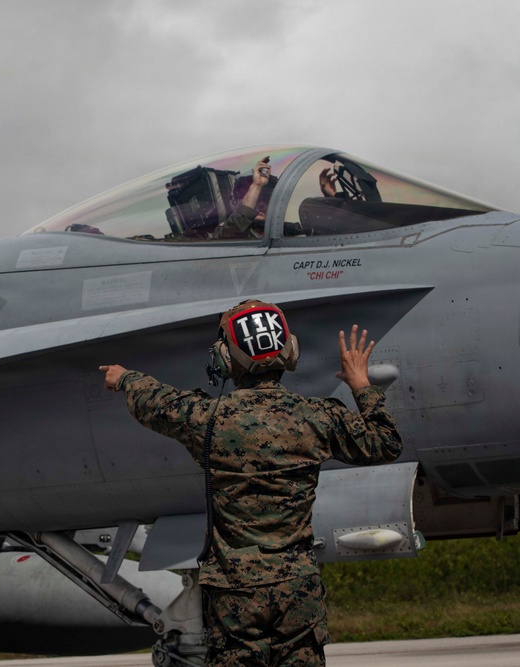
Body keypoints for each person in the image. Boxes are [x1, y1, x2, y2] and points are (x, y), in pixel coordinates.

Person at [99, 300, 403, 666]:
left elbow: (157, 402)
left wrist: (125, 377)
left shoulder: (208, 420)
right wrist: (361, 385)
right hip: (297, 593)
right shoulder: (317, 417)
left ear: (226, 360)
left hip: (235, 599)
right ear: (289, 351)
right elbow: (385, 443)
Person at [211, 156, 272, 240]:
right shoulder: (223, 232)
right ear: (234, 200)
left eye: (265, 196)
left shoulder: (284, 230)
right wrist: (256, 186)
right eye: (255, 197)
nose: (261, 203)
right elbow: (230, 233)